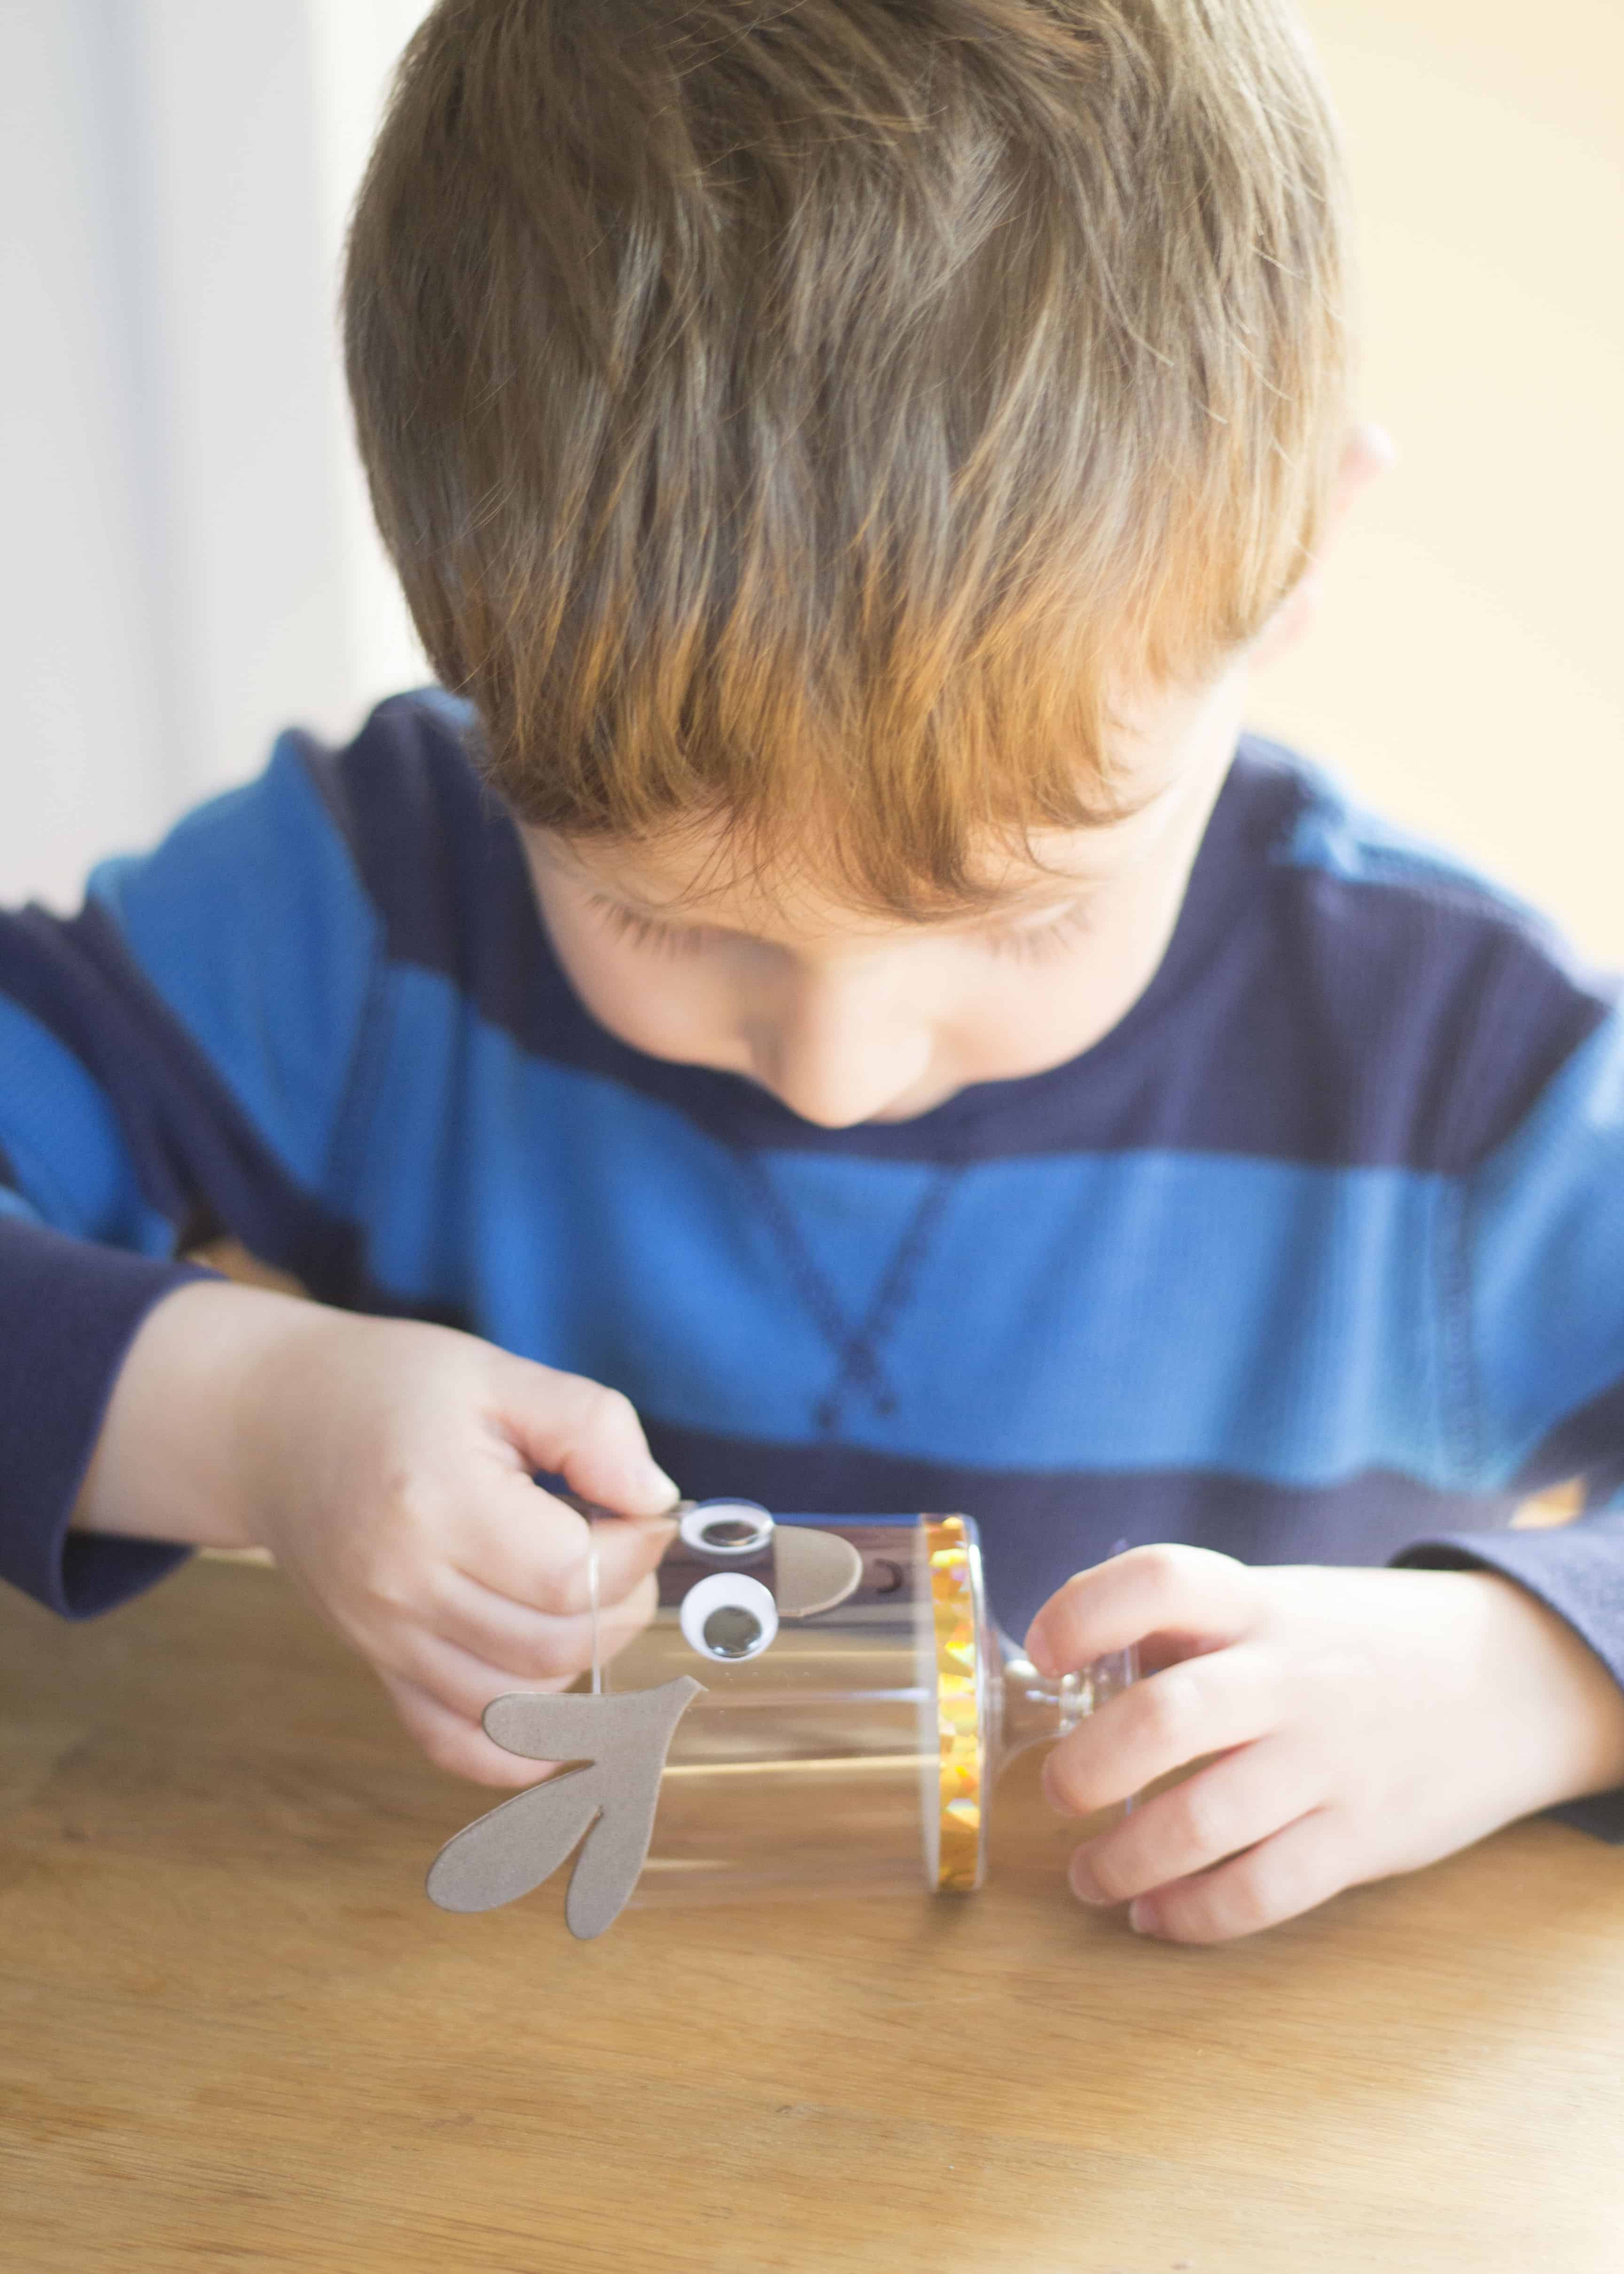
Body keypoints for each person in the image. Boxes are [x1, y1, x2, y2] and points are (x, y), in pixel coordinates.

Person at [3, 0, 1622, 1947]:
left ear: (1289, 574)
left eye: (1026, 914)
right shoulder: (364, 912)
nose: (839, 1069)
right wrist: (248, 1416)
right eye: (670, 916)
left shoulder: (1449, 1076)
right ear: (474, 645)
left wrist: (1534, 1673)